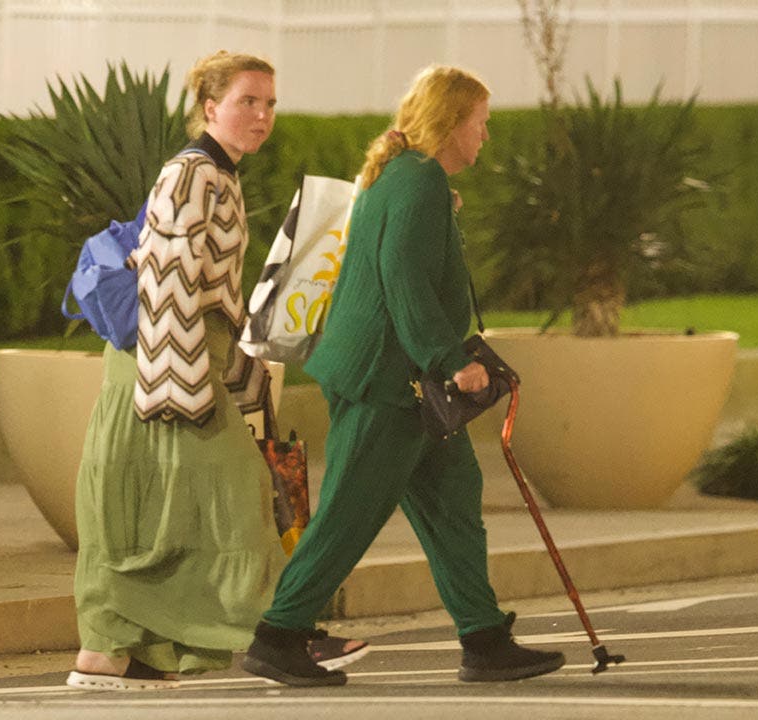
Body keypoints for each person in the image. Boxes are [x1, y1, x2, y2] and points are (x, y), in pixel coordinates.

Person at [241, 65, 566, 687]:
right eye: (481, 123)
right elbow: (404, 283)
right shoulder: (416, 182)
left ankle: (484, 638)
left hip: (406, 386)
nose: (486, 137)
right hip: (388, 383)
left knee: (454, 505)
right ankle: (278, 636)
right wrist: (453, 361)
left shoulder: (413, 178)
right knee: (349, 513)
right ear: (452, 123)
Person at [67, 50, 364, 691]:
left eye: (270, 103)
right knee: (237, 497)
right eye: (247, 102)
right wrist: (184, 388)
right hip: (167, 368)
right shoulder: (194, 174)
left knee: (164, 516)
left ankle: (119, 651)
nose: (262, 115)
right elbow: (168, 286)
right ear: (210, 108)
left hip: (175, 363)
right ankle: (279, 635)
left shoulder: (217, 174)